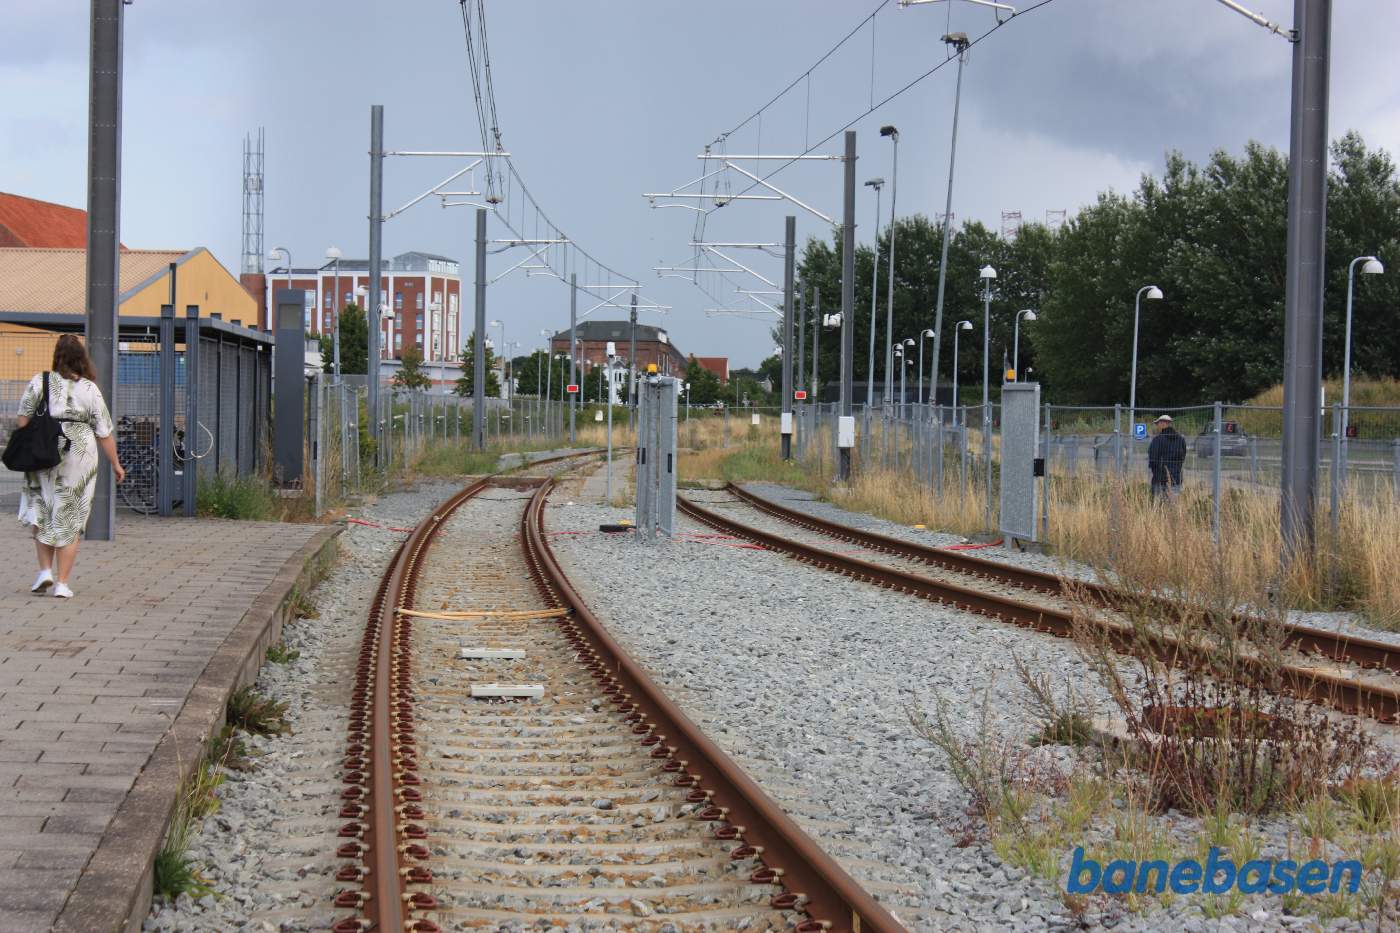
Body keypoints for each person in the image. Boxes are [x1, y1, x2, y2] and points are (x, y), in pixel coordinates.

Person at [14, 335, 125, 597]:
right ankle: (62, 584)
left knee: (42, 510)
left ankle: (44, 572)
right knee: (70, 516)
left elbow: (22, 422)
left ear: (57, 356)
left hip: (43, 451)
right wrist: (116, 464)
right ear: (82, 358)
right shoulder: (89, 389)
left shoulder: (39, 382)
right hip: (79, 454)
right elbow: (104, 432)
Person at [1147, 413, 1185, 501]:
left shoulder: (1157, 440)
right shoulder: (1181, 439)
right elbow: (1183, 457)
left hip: (1160, 479)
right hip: (1176, 479)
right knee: (1173, 505)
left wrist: (1156, 472)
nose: (1157, 426)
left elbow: (1153, 460)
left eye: (1157, 424)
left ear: (1162, 424)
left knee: (1158, 506)